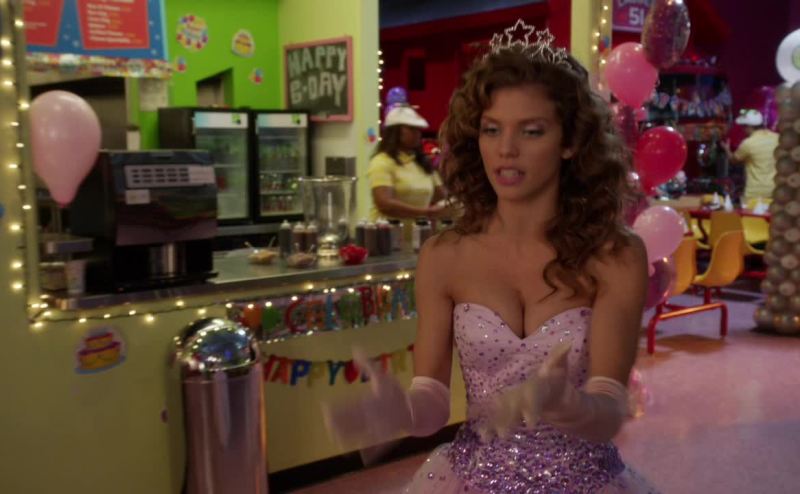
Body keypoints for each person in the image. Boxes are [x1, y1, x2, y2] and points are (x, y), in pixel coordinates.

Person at [324, 20, 658, 493]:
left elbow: (607, 408)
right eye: (492, 129)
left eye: (532, 131)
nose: (506, 150)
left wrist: (570, 405)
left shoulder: (616, 255)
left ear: (569, 142)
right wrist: (400, 410)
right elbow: (432, 403)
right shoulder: (445, 256)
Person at [367, 104, 448, 232]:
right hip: (387, 236)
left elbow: (442, 195)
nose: (418, 133)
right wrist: (425, 212)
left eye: (418, 130)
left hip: (418, 235)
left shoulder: (422, 163)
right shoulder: (382, 161)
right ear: (395, 132)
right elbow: (384, 204)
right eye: (412, 129)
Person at [722, 109, 779, 203]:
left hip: (755, 193)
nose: (743, 130)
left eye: (743, 127)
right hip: (775, 190)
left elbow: (734, 160)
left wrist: (727, 149)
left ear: (748, 127)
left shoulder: (748, 143)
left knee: (750, 213)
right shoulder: (776, 138)